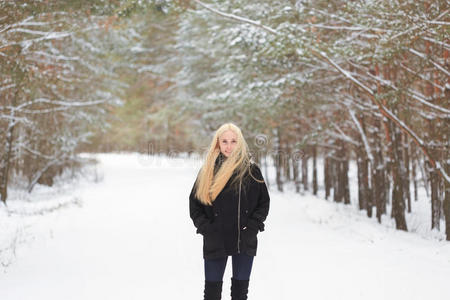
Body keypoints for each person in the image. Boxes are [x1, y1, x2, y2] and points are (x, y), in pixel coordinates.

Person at [189, 123, 270, 300]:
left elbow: (263, 203)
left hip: (244, 239)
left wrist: (252, 227)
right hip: (216, 239)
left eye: (233, 141)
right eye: (224, 141)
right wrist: (207, 228)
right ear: (217, 143)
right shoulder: (207, 171)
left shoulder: (251, 171)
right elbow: (194, 205)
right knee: (212, 293)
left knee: (240, 294)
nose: (229, 146)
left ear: (240, 143)